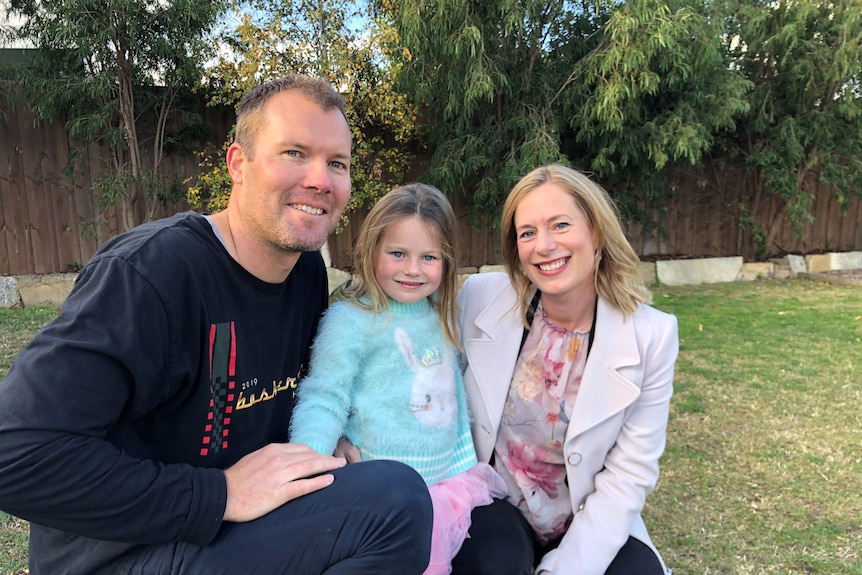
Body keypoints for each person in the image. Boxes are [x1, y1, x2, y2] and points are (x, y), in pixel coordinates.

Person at [0, 75, 432, 575]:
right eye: (294, 152)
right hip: (122, 552)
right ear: (238, 165)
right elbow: (16, 457)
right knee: (395, 503)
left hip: (228, 534)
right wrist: (218, 494)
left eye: (337, 163)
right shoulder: (150, 275)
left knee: (391, 494)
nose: (320, 179)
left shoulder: (305, 271)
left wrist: (323, 439)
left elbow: (286, 395)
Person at [453, 164, 678, 575]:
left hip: (585, 512)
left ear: (595, 231)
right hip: (496, 503)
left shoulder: (652, 335)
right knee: (491, 563)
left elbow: (630, 472)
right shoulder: (479, 298)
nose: (544, 245)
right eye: (527, 233)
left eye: (560, 225)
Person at [290, 183, 506, 575]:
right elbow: (324, 397)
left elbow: (451, 387)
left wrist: (465, 460)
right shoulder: (351, 322)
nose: (412, 269)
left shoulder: (440, 313)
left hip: (448, 484)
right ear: (372, 250)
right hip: (384, 494)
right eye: (397, 254)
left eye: (429, 257)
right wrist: (308, 465)